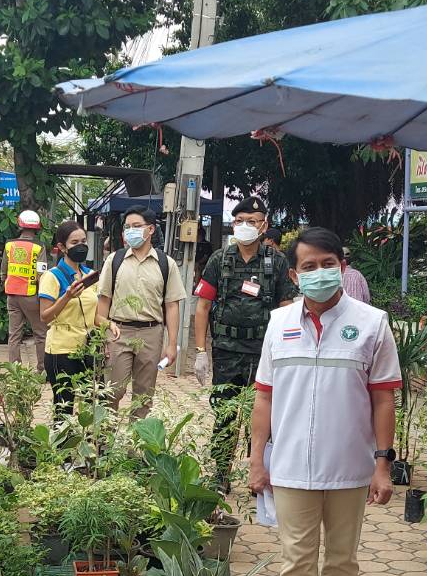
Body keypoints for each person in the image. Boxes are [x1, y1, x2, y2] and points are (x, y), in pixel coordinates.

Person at [247, 227, 400, 576]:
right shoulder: (279, 323)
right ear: (294, 275)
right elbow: (264, 398)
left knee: (341, 558)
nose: (319, 273)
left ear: (343, 266)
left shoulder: (372, 323)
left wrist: (382, 464)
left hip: (350, 465)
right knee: (295, 559)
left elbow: (383, 399)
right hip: (290, 464)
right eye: (309, 266)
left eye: (327, 264)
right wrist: (256, 460)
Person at [193, 196, 292, 488]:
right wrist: (201, 351)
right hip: (226, 351)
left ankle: (258, 473)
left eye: (251, 221)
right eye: (239, 221)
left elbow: (286, 307)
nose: (244, 226)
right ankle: (221, 474)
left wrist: (286, 349)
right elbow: (203, 306)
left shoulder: (276, 261)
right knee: (225, 414)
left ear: (264, 225)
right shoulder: (219, 259)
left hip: (263, 352)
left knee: (262, 416)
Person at [94, 206, 186, 420]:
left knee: (144, 396)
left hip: (151, 333)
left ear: (151, 229)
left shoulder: (166, 263)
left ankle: (136, 439)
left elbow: (172, 305)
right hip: (118, 331)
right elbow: (104, 300)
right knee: (112, 391)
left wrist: (172, 344)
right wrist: (102, 332)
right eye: (127, 227)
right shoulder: (114, 260)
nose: (130, 231)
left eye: (136, 226)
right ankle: (106, 437)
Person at [38, 220, 103, 415]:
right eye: (74, 243)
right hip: (61, 350)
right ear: (62, 247)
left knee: (92, 405)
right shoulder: (52, 276)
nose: (81, 246)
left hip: (87, 349)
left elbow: (95, 316)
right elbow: (45, 317)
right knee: (64, 407)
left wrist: (111, 326)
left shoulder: (90, 276)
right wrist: (67, 297)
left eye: (83, 241)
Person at [4, 210, 48, 371]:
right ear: (37, 227)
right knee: (40, 334)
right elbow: (41, 273)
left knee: (14, 335)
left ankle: (15, 370)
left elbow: (4, 269)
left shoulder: (9, 245)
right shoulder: (39, 247)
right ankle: (42, 369)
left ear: (20, 225)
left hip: (12, 294)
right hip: (31, 295)